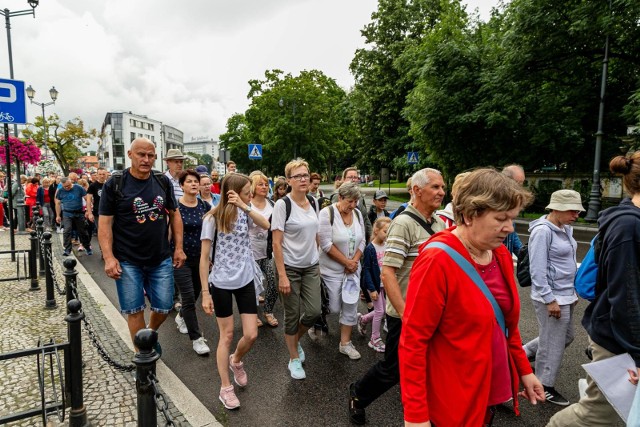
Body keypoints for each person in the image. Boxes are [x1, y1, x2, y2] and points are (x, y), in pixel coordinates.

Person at [399, 168, 544, 426]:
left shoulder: (497, 253)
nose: (509, 228)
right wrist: (416, 416)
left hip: (487, 390)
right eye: (501, 218)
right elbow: (413, 343)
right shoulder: (437, 261)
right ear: (468, 215)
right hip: (455, 397)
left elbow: (507, 327)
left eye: (512, 218)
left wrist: (524, 370)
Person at [348, 168, 447, 425]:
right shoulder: (402, 224)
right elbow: (388, 273)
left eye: (442, 187)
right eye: (435, 187)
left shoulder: (438, 223)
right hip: (406, 314)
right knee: (395, 369)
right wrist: (406, 313)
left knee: (431, 365)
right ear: (416, 190)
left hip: (431, 312)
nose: (441, 192)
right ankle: (358, 395)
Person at [548, 152, 640, 426]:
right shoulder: (629, 226)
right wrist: (637, 356)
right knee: (597, 415)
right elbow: (627, 297)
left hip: (622, 337)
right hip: (618, 341)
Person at [98, 138, 186, 351]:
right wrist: (109, 257)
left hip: (160, 258)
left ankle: (150, 333)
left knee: (164, 306)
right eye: (141, 154)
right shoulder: (115, 183)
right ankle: (143, 359)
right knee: (134, 310)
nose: (146, 159)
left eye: (150, 155)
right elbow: (105, 223)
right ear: (130, 154)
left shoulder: (161, 181)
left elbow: (174, 215)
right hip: (127, 261)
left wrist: (179, 248)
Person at [199, 173, 270, 410]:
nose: (251, 194)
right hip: (220, 282)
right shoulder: (212, 218)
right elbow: (203, 258)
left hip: (245, 279)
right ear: (233, 191)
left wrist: (244, 206)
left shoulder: (245, 213)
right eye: (247, 191)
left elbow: (267, 225)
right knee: (226, 336)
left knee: (251, 334)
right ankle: (225, 388)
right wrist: (205, 293)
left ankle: (236, 360)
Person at [522, 189, 583, 406]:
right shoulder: (542, 231)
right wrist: (550, 299)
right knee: (553, 342)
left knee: (563, 337)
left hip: (565, 294)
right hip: (551, 297)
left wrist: (572, 293)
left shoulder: (565, 228)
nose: (577, 215)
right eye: (573, 210)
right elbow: (537, 270)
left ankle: (520, 356)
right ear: (556, 208)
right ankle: (543, 385)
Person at [271, 159, 321, 380]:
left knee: (314, 311)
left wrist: (317, 255)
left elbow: (316, 233)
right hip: (289, 268)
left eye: (306, 175)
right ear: (289, 180)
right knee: (291, 316)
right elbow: (276, 243)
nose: (303, 179)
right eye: (298, 176)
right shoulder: (283, 205)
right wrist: (282, 275)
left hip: (310, 266)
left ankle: (294, 340)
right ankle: (293, 358)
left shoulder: (314, 201)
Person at [318, 182, 366, 360]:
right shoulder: (327, 213)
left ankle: (345, 343)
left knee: (350, 304)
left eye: (356, 201)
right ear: (340, 197)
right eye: (350, 201)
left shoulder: (358, 214)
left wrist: (353, 262)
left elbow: (362, 240)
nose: (353, 206)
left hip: (353, 269)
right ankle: (317, 321)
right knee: (333, 306)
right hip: (331, 270)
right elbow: (325, 244)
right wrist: (345, 262)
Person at [173, 170, 211, 355]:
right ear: (182, 186)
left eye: (196, 181)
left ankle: (181, 316)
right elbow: (168, 233)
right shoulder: (175, 208)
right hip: (181, 259)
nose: (194, 184)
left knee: (196, 294)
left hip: (201, 259)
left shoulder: (204, 205)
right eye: (189, 182)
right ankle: (197, 339)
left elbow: (212, 231)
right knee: (188, 298)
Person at [357, 216, 391, 352]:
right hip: (375, 286)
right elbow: (367, 271)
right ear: (376, 230)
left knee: (382, 311)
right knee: (380, 311)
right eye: (385, 231)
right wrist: (371, 289)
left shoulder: (387, 245)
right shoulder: (370, 248)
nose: (387, 235)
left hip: (385, 285)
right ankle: (374, 339)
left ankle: (363, 319)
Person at [248, 171, 278, 327]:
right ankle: (253, 315)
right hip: (250, 253)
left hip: (268, 253)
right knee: (251, 287)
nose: (264, 187)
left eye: (266, 184)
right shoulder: (246, 204)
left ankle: (268, 311)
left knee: (274, 281)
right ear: (252, 186)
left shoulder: (273, 205)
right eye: (260, 184)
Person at [164, 148, 186, 311]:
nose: (179, 164)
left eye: (181, 161)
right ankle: (171, 297)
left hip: (183, 225)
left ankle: (178, 296)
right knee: (169, 261)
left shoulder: (184, 180)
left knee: (179, 261)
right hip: (167, 225)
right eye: (176, 161)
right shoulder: (163, 179)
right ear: (168, 162)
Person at [330, 167, 372, 241]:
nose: (353, 179)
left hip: (361, 240)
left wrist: (371, 239)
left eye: (355, 177)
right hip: (343, 240)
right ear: (343, 179)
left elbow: (366, 219)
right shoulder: (338, 196)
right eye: (350, 177)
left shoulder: (360, 197)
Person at [56, 177, 92, 257]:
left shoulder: (78, 188)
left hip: (79, 213)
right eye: (65, 186)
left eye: (69, 185)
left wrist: (87, 210)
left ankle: (87, 247)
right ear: (62, 185)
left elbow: (87, 199)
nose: (67, 188)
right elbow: (58, 204)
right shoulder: (61, 191)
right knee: (67, 230)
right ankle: (67, 249)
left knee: (82, 231)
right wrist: (58, 215)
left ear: (71, 183)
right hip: (67, 213)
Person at [502, 164, 526, 255]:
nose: (520, 187)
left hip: (506, 261)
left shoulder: (513, 201)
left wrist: (522, 252)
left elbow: (512, 235)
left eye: (522, 183)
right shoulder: (495, 202)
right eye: (518, 183)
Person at [86, 167, 108, 235]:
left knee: (110, 231)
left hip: (110, 211)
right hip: (98, 211)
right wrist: (89, 213)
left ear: (106, 174)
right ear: (97, 175)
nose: (102, 176)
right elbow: (88, 199)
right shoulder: (93, 185)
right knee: (101, 232)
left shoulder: (110, 184)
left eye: (103, 174)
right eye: (100, 174)